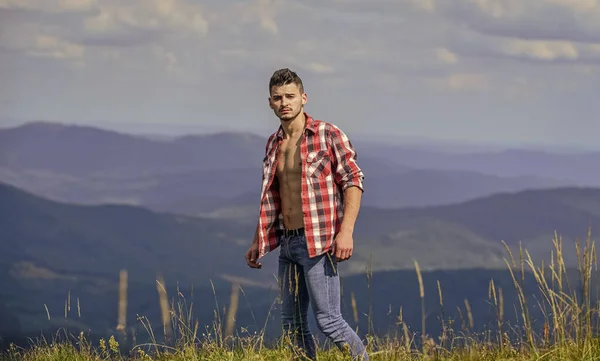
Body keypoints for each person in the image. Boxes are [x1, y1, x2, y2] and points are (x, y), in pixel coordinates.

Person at [245, 68, 369, 361]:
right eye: (278, 98)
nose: (284, 102)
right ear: (270, 103)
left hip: (318, 243)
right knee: (292, 324)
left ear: (304, 98)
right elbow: (272, 198)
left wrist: (346, 231)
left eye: (290, 96)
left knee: (329, 321)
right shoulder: (274, 144)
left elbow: (353, 180)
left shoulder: (328, 134)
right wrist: (256, 241)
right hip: (287, 243)